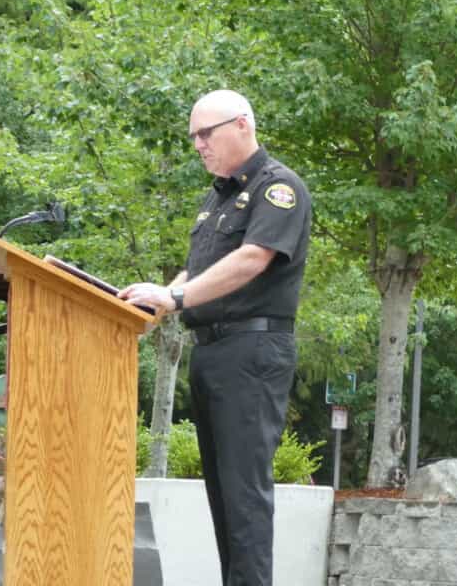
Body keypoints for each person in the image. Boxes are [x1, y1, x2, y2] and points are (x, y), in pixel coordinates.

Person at [119, 89, 311, 586]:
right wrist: (157, 301)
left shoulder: (277, 188)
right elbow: (200, 268)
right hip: (214, 353)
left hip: (252, 353)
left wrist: (177, 300)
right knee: (223, 496)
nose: (198, 145)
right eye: (193, 137)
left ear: (243, 124)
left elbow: (252, 259)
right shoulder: (219, 196)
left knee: (244, 497)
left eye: (206, 133)